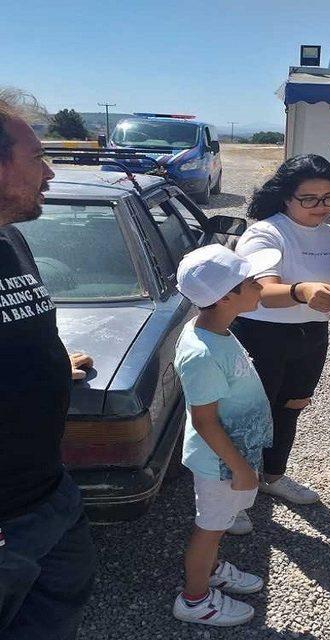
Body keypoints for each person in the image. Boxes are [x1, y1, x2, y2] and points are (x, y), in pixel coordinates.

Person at [0, 96, 96, 639]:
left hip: (50, 494)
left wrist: (54, 364)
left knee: (55, 613)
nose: (51, 171)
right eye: (37, 156)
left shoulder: (11, 241)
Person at [232, 154, 330, 516]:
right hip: (259, 335)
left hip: (312, 335)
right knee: (249, 415)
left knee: (291, 407)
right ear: (286, 197)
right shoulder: (266, 232)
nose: (321, 207)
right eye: (309, 199)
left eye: (329, 198)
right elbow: (262, 291)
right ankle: (233, 497)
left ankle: (272, 476)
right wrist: (302, 291)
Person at [172, 244, 281, 628]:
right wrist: (238, 467)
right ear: (224, 297)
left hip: (232, 455)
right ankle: (195, 598)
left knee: (218, 523)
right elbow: (204, 420)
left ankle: (213, 567)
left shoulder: (217, 330)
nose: (260, 286)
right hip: (220, 461)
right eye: (251, 281)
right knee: (210, 527)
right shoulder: (202, 352)